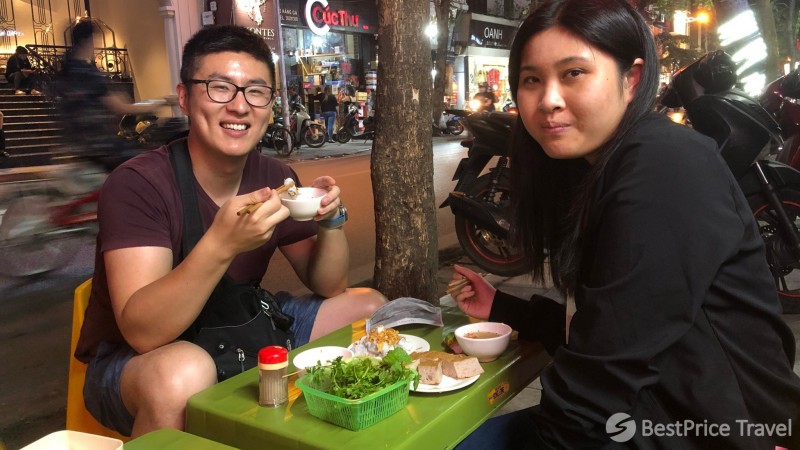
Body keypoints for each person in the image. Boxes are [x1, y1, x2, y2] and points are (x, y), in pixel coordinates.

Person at [452, 1, 800, 448]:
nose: (549, 99)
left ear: (631, 79)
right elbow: (614, 325)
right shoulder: (596, 169)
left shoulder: (663, 166)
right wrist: (505, 309)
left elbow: (602, 374)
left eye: (573, 73)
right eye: (532, 79)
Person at [74, 25, 386, 438]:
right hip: (138, 361)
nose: (240, 106)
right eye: (220, 87)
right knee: (183, 373)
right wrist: (222, 244)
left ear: (270, 106)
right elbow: (143, 332)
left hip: (241, 326)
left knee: (368, 309)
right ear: (185, 97)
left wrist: (330, 219)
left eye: (256, 92)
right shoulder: (139, 184)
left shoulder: (275, 175)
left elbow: (329, 285)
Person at [56, 20, 157, 171]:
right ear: (88, 40)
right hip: (102, 147)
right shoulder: (88, 73)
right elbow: (123, 107)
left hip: (79, 146)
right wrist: (159, 103)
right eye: (95, 40)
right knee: (148, 164)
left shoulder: (67, 71)